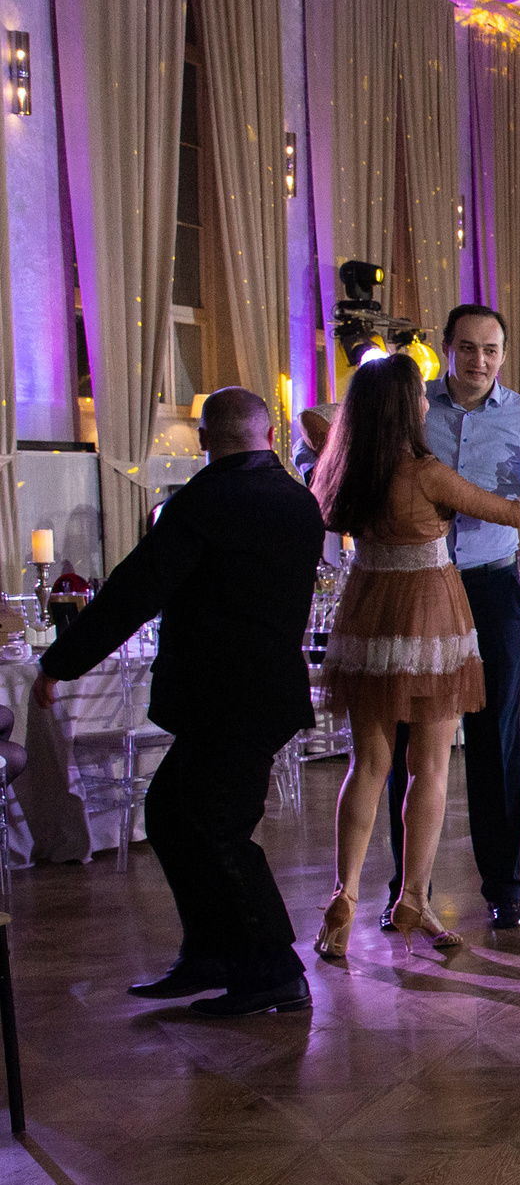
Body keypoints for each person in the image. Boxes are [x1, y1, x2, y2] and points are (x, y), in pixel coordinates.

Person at [35, 390, 325, 1017]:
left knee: (218, 830)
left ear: (204, 440)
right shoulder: (300, 501)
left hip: (225, 697)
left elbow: (131, 595)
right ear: (269, 433)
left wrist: (61, 663)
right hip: (266, 691)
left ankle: (273, 969)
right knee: (172, 814)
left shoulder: (202, 502)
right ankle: (211, 955)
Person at [314, 354, 520, 958]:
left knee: (368, 766)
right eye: (416, 396)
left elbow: (317, 428)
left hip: (367, 616)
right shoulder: (424, 472)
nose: (424, 403)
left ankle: (345, 896)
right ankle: (413, 898)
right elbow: (519, 513)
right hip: (430, 617)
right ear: (400, 409)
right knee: (430, 769)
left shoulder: (344, 469)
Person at [380, 306, 520, 935]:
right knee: (404, 739)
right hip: (416, 588)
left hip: (489, 587)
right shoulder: (412, 408)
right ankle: (406, 888)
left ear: (504, 355)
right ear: (446, 349)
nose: (480, 362)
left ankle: (503, 885)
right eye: (469, 348)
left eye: (492, 350)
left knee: (495, 738)